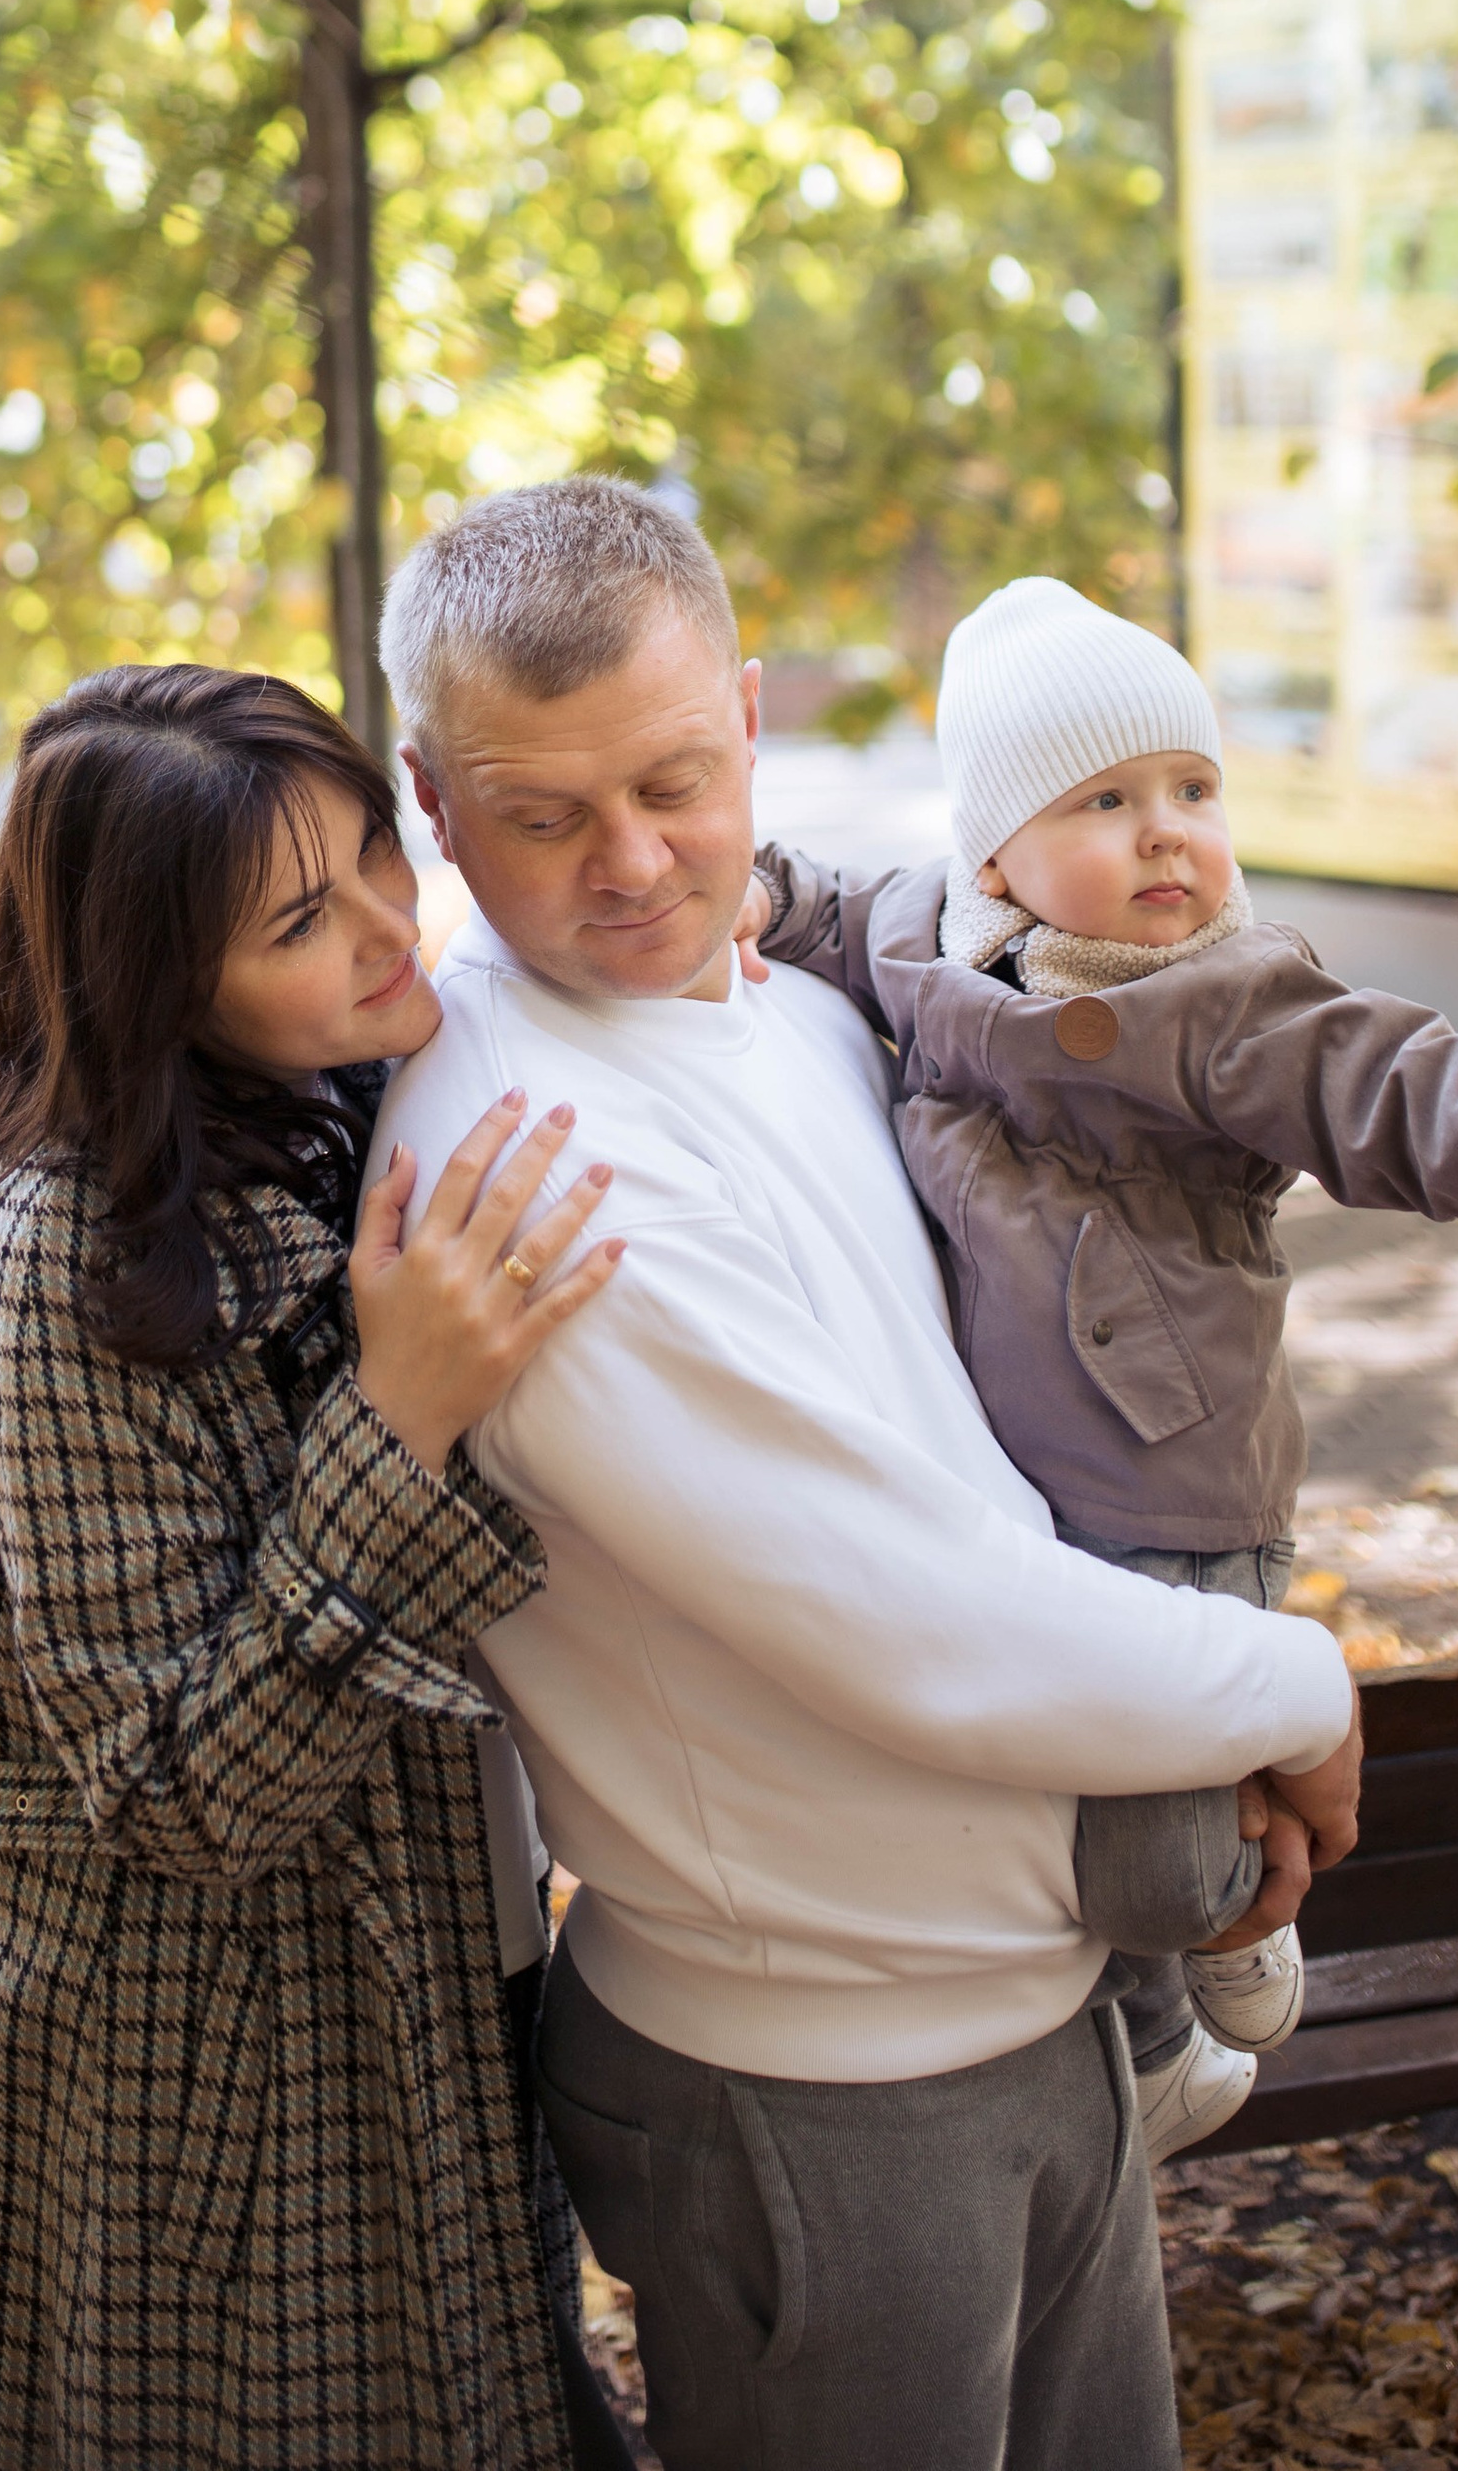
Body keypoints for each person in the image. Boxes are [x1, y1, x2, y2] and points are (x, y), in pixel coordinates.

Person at [370, 479, 1363, 2471]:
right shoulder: (517, 1166)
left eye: (668, 780)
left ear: (745, 719)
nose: (631, 865)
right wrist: (1291, 1688)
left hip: (1021, 2008)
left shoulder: (800, 1012)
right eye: (542, 816)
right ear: (429, 796)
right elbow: (914, 1621)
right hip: (810, 2071)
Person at [746, 568, 1458, 2152]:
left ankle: (1234, 1923)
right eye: (1109, 799)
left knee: (1152, 1859)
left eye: (1194, 788)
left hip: (1175, 1487)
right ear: (994, 850)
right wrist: (756, 897)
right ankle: (1150, 2043)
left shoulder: (1222, 998)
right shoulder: (925, 942)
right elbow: (824, 904)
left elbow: (1382, 1071)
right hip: (1006, 1511)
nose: (1170, 831)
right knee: (1052, 1820)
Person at [0, 663, 636, 2471]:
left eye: (380, 850)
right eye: (305, 918)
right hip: (194, 2082)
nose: (396, 926)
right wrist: (399, 1420)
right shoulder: (48, 1269)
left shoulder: (333, 1098)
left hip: (421, 2013)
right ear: (160, 980)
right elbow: (174, 1796)